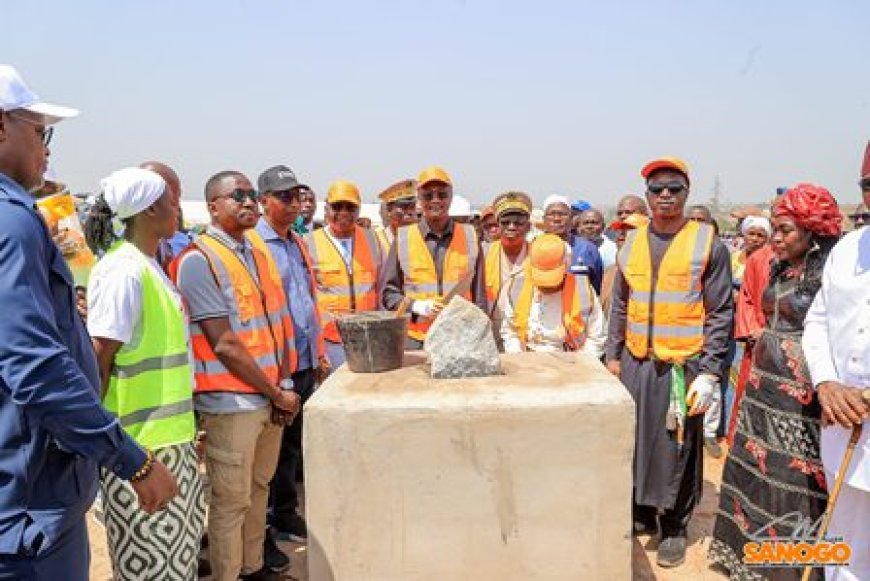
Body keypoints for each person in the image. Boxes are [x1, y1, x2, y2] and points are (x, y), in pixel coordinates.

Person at [0, 64, 176, 580]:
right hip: (29, 511)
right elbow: (33, 366)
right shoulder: (12, 222)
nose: (47, 148)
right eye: (40, 131)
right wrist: (131, 461)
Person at [171, 170, 301, 581]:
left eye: (251, 196)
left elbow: (274, 327)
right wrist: (275, 393)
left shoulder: (255, 252)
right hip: (231, 403)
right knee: (231, 502)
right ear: (213, 206)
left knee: (258, 491)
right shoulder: (198, 260)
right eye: (236, 196)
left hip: (268, 397)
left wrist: (283, 387)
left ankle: (253, 568)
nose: (248, 202)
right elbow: (225, 344)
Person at [709, 184, 843, 581]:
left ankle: (790, 569)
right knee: (755, 468)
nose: (776, 238)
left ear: (812, 231)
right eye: (774, 229)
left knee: (795, 478)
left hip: (802, 393)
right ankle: (745, 557)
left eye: (785, 230)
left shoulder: (830, 277)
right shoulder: (777, 265)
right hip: (762, 383)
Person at [606, 156, 733, 567]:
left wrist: (712, 372)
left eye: (674, 189)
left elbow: (719, 312)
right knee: (637, 439)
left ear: (686, 193)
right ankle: (642, 510)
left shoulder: (706, 243)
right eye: (657, 189)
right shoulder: (633, 241)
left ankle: (674, 526)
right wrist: (612, 356)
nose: (665, 195)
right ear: (646, 194)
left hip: (683, 366)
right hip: (637, 360)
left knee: (677, 446)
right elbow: (621, 305)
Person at [84, 167, 205, 580]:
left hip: (171, 441)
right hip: (140, 450)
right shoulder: (123, 271)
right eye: (171, 201)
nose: (177, 208)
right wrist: (100, 449)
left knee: (178, 564)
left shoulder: (146, 265)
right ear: (151, 208)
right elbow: (98, 360)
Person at [252, 165, 328, 565]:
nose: (294, 202)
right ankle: (262, 533)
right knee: (268, 454)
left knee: (292, 448)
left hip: (301, 361)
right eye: (285, 196)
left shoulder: (297, 242)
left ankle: (285, 515)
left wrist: (316, 356)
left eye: (296, 195)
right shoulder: (254, 245)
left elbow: (307, 303)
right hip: (272, 367)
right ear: (264, 201)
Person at [801, 152, 870, 581]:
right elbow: (818, 321)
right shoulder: (847, 250)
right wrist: (826, 382)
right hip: (847, 431)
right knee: (844, 554)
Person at [382, 166, 486, 349]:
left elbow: (479, 298)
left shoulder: (470, 237)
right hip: (416, 340)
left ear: (451, 197)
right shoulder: (403, 239)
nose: (436, 200)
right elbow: (389, 295)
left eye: (442, 194)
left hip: (459, 339)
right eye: (428, 195)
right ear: (419, 200)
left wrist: (479, 338)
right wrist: (417, 306)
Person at [305, 180, 383, 368]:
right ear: (326, 209)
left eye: (350, 207)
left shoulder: (373, 239)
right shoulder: (308, 243)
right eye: (337, 207)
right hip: (330, 341)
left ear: (358, 211)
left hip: (368, 336)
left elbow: (381, 288)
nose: (344, 213)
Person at [501, 233, 605, 357]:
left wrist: (579, 365)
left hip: (572, 361)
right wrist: (520, 358)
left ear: (566, 264)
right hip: (527, 359)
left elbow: (597, 337)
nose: (547, 287)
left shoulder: (583, 290)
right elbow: (510, 332)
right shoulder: (517, 287)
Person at [484, 192, 533, 350]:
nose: (511, 227)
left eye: (518, 223)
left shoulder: (538, 254)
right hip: (490, 333)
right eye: (505, 222)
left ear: (528, 226)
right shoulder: (484, 253)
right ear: (498, 225)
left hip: (526, 336)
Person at [542, 194, 603, 294]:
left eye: (562, 214)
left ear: (571, 219)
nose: (557, 219)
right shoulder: (533, 248)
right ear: (544, 219)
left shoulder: (587, 249)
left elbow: (597, 287)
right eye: (552, 214)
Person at [600, 212, 649, 321]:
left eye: (630, 230)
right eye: (621, 230)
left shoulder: (651, 273)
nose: (622, 234)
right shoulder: (610, 271)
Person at [375, 178, 418, 255]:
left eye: (412, 206)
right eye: (404, 207)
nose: (409, 212)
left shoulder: (421, 239)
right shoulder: (376, 242)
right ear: (389, 210)